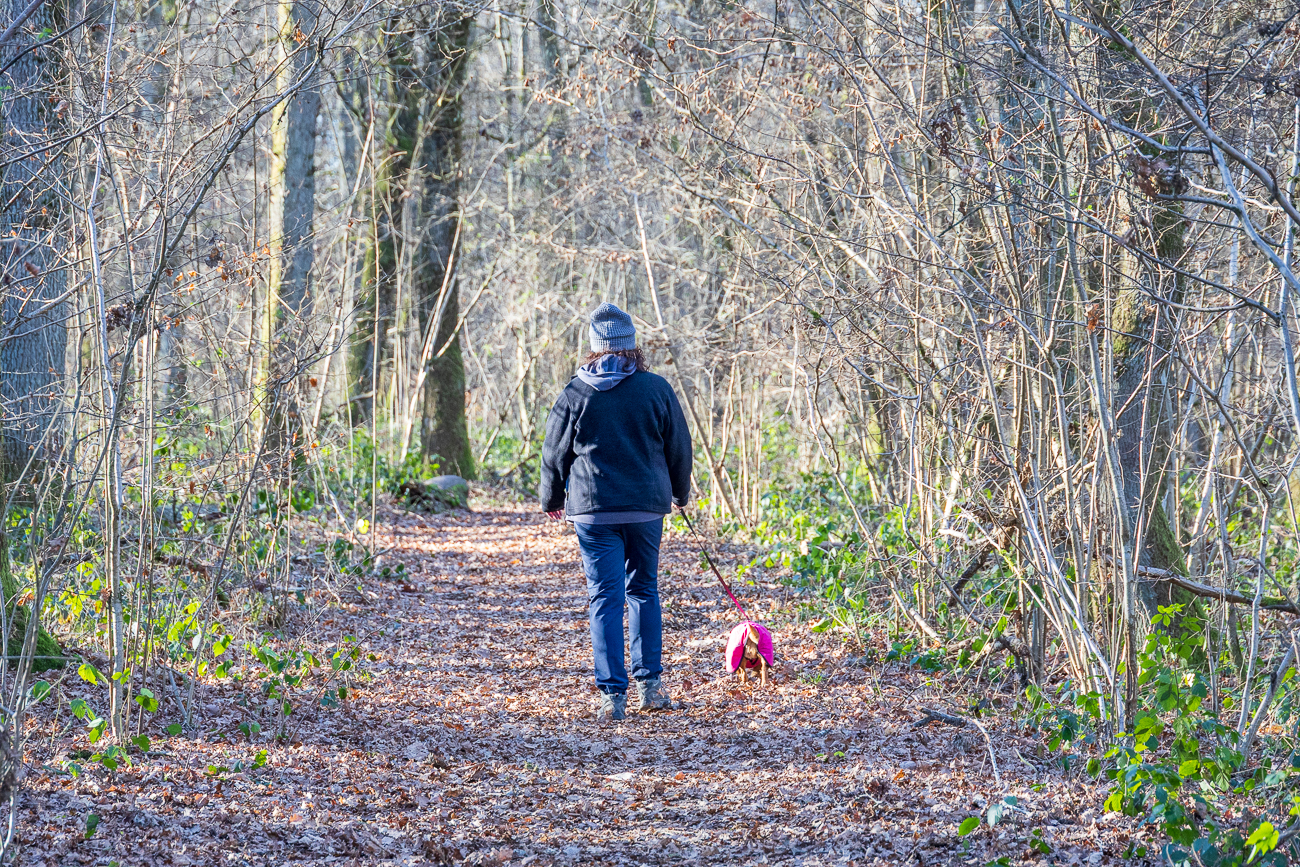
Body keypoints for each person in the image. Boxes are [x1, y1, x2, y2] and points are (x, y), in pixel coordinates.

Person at [540, 303, 693, 723]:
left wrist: (552, 499)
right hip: (646, 508)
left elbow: (554, 452)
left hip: (593, 512)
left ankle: (613, 696)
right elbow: (679, 446)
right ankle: (650, 686)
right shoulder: (656, 388)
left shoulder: (574, 393)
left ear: (594, 348)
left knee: (604, 597)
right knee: (643, 590)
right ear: (632, 346)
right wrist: (679, 493)